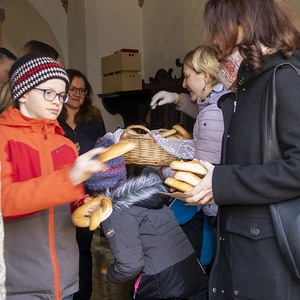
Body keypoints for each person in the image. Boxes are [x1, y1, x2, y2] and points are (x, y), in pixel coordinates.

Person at [185, 0, 300, 299]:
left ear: (243, 22)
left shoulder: (286, 77)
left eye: (218, 26)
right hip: (241, 249)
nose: (215, 39)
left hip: (270, 262)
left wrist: (220, 182)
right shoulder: (250, 84)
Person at [0, 54, 109, 299]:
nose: (57, 101)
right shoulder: (3, 138)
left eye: (61, 95)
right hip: (21, 284)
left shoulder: (65, 145)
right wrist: (68, 178)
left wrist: (85, 205)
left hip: (66, 278)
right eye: (49, 92)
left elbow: (70, 201)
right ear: (23, 93)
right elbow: (5, 201)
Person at [150, 45, 229, 299]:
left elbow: (195, 178)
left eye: (187, 76)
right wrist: (176, 99)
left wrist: (159, 167)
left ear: (205, 76)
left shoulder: (211, 117)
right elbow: (203, 110)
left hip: (217, 209)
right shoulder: (220, 101)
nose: (184, 84)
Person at [100, 172, 208, 300]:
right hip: (189, 271)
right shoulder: (150, 201)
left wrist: (111, 273)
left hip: (161, 283)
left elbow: (129, 266)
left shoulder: (114, 213)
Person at [58, 68, 106, 300]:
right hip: (58, 191)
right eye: (72, 89)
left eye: (82, 90)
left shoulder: (94, 117)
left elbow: (104, 149)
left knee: (83, 248)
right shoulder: (51, 117)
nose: (77, 94)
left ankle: (82, 296)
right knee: (62, 247)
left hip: (88, 190)